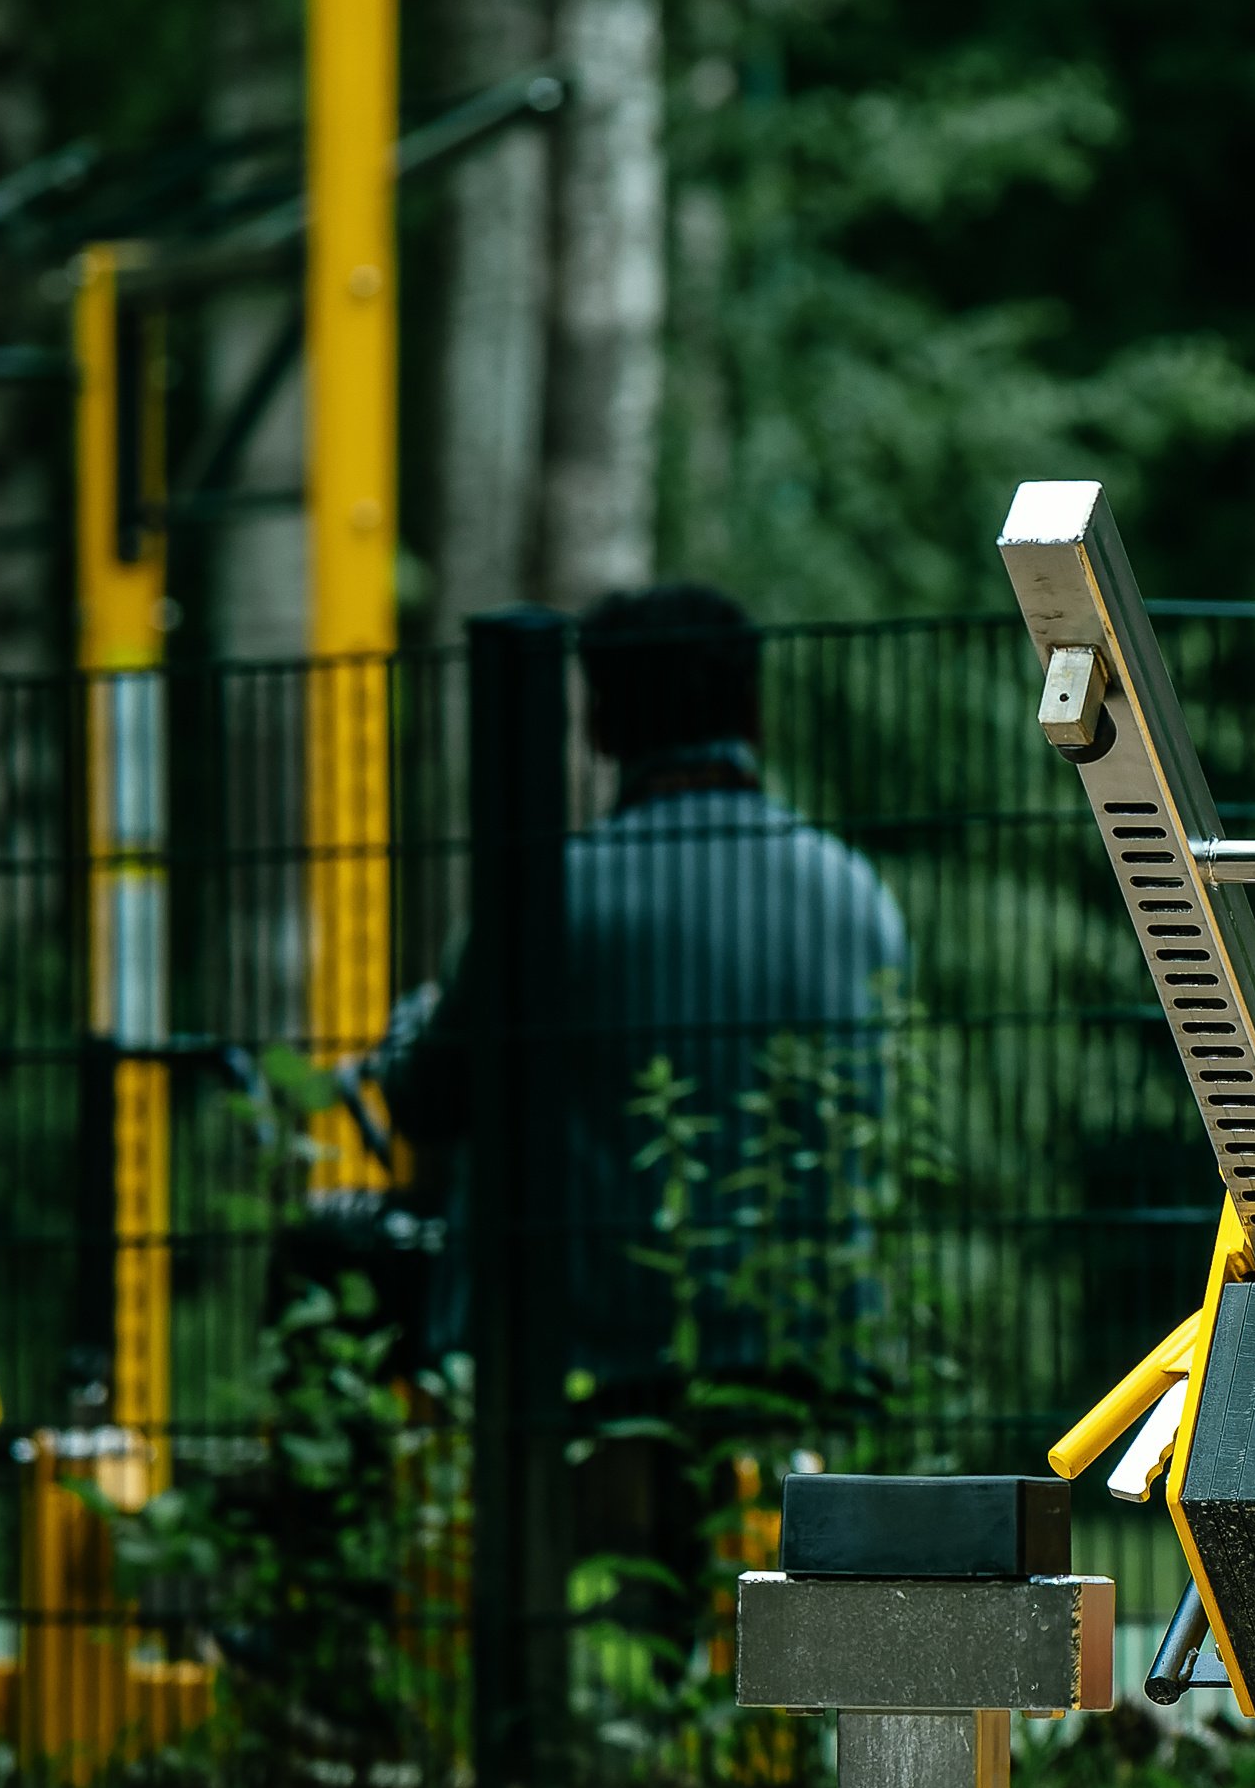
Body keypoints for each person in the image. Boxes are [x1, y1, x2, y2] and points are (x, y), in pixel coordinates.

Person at [390, 582, 912, 1392]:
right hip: (811, 1347)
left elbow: (427, 1099)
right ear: (751, 714)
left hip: (590, 1366)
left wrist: (410, 1032)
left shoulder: (548, 900)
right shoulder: (854, 891)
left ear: (601, 724)